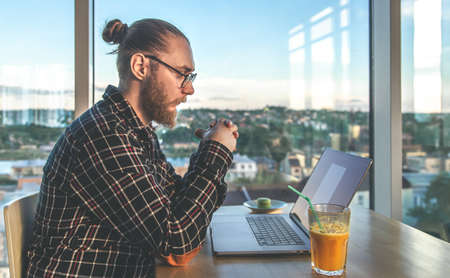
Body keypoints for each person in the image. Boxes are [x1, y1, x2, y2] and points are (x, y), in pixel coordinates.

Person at [25, 18, 238, 277]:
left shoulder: (135, 132)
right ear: (140, 66)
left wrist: (209, 150)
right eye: (181, 74)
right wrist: (216, 154)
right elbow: (176, 242)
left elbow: (180, 212)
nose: (189, 89)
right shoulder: (105, 135)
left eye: (190, 77)